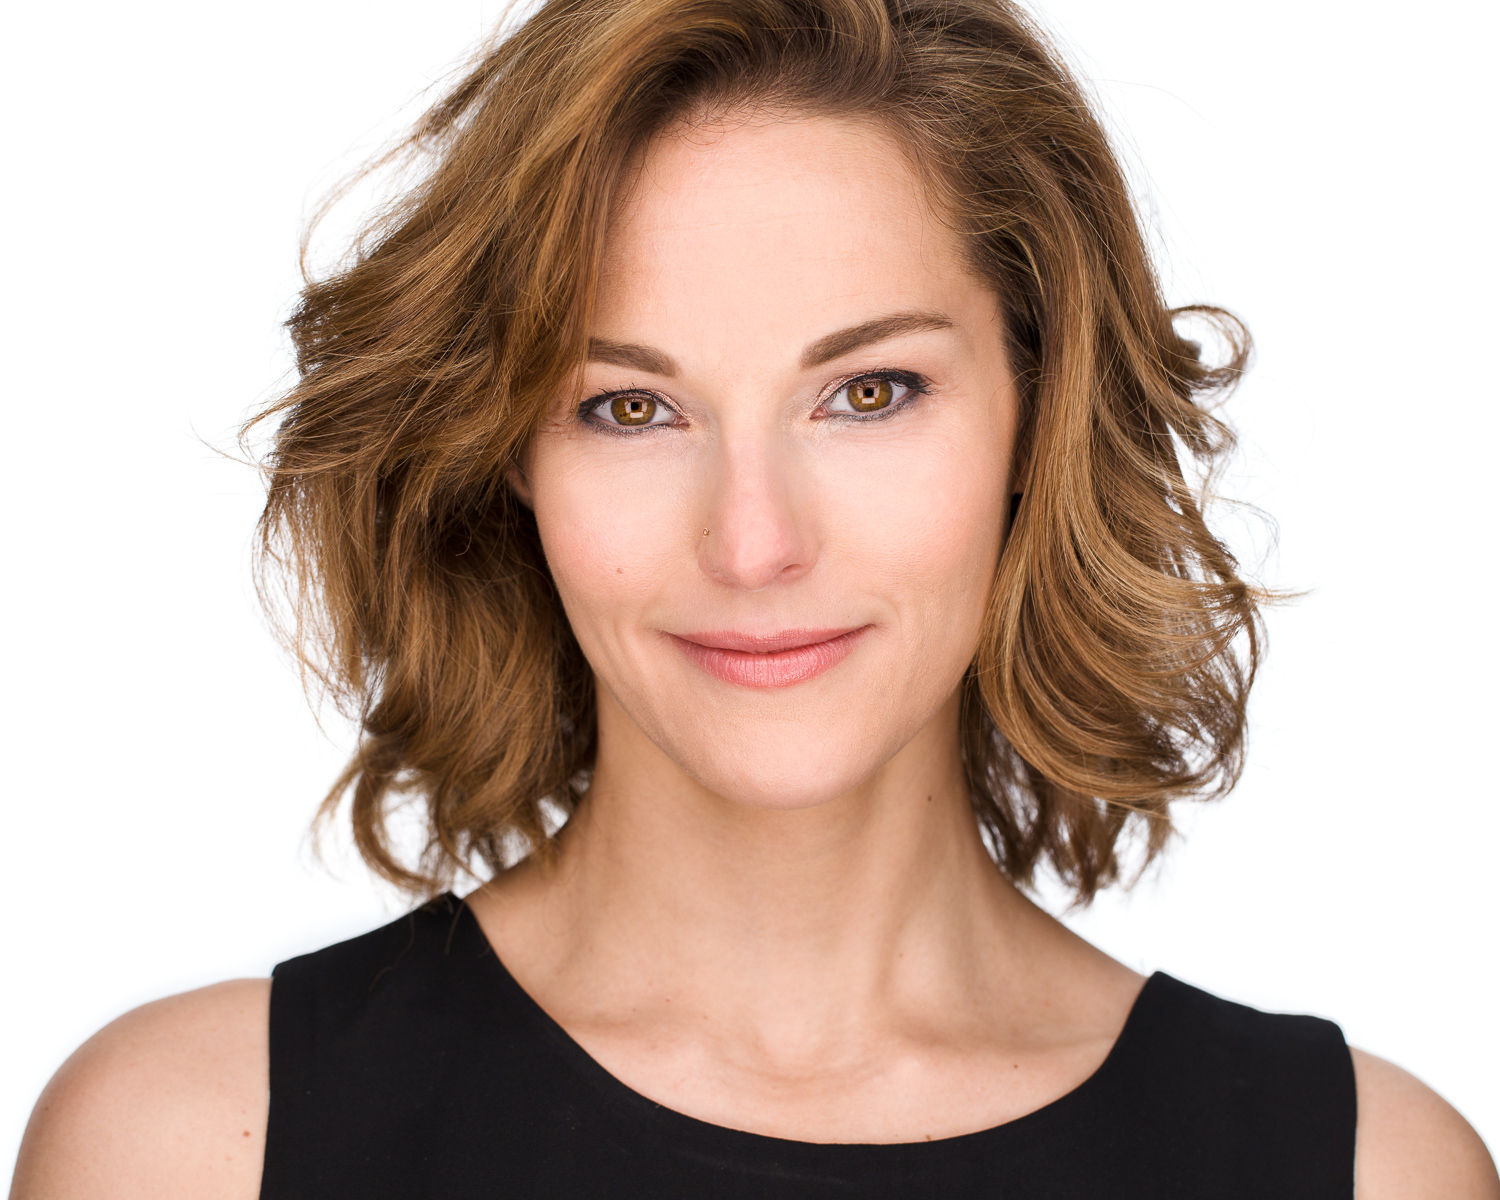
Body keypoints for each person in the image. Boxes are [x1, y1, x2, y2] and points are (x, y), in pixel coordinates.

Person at [12, 0, 1498, 1195]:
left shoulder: (1363, 1172)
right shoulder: (189, 1150)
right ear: (506, 454)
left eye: (870, 391)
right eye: (629, 408)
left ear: (1039, 416)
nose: (753, 542)